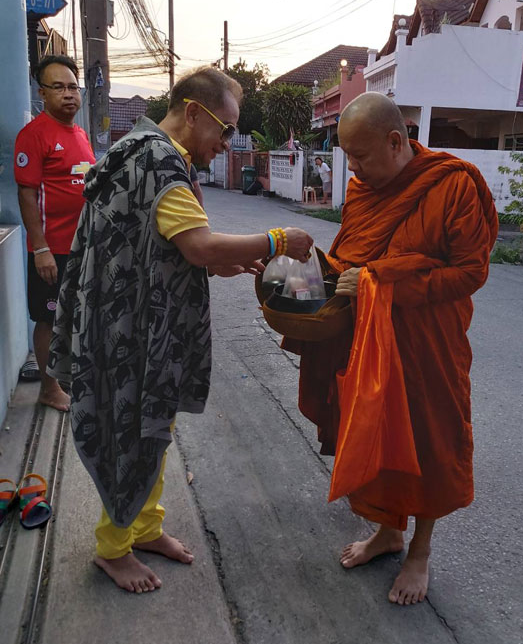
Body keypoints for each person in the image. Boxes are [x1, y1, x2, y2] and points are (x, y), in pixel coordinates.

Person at [48, 66, 313, 594]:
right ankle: (114, 548)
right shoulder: (162, 162)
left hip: (125, 316)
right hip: (132, 329)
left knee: (153, 426)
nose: (227, 142)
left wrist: (220, 263)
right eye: (227, 128)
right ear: (194, 112)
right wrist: (279, 239)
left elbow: (172, 244)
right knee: (131, 430)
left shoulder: (142, 148)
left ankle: (145, 528)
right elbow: (200, 246)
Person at [289, 92, 498, 606]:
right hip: (369, 339)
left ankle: (420, 551)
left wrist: (381, 282)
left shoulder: (454, 184)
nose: (353, 170)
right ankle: (388, 532)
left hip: (430, 343)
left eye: (361, 157)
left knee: (429, 439)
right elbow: (350, 260)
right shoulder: (365, 190)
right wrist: (306, 275)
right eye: (347, 158)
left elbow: (470, 272)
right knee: (377, 435)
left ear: (396, 141)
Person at [14, 55, 95, 412]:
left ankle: (66, 376)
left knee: (74, 316)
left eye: (73, 87)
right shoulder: (34, 135)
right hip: (53, 250)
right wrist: (40, 249)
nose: (68, 95)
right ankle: (48, 388)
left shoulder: (79, 134)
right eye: (58, 87)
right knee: (49, 318)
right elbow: (27, 194)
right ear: (42, 93)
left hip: (81, 248)